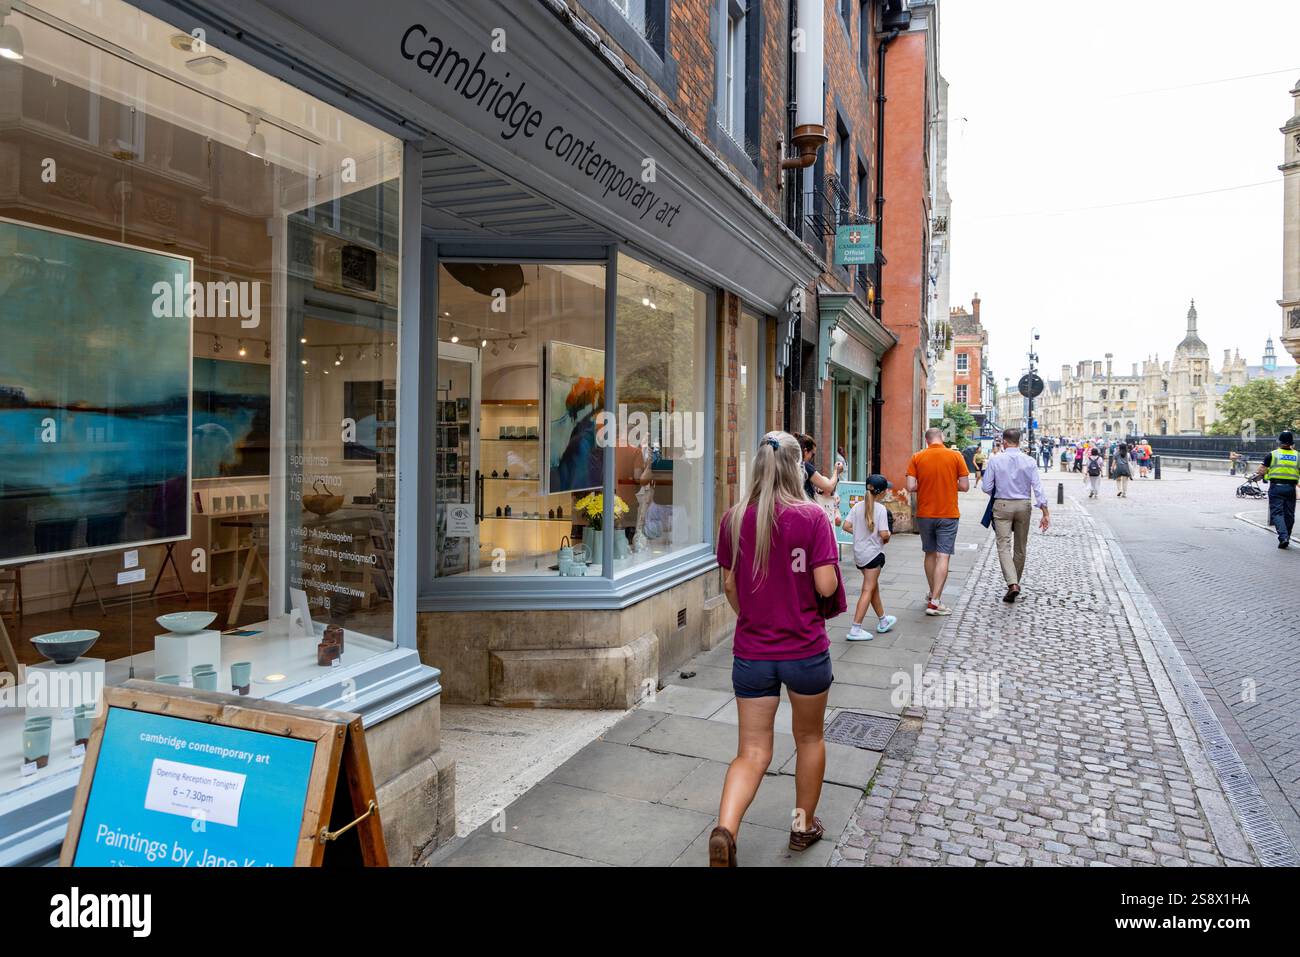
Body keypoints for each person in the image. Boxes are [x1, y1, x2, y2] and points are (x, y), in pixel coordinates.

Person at [711, 432, 845, 866]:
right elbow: (825, 584)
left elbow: (730, 586)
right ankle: (802, 828)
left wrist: (752, 614)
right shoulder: (812, 517)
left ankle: (725, 831)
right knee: (808, 738)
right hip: (804, 649)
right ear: (798, 467)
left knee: (751, 751)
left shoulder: (733, 518)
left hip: (752, 652)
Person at [980, 428, 1050, 602]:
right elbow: (1038, 488)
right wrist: (1045, 512)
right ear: (1019, 441)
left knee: (1003, 545)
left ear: (1004, 441)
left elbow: (986, 487)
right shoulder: (1030, 461)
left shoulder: (996, 461)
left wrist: (1001, 493)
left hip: (1002, 504)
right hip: (1023, 505)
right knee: (1020, 547)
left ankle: (1012, 584)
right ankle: (1014, 583)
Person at [906, 427, 970, 616]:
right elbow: (965, 486)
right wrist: (950, 484)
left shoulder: (917, 457)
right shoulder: (955, 456)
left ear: (927, 441)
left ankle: (934, 594)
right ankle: (935, 602)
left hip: (925, 514)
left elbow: (910, 486)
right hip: (948, 513)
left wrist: (925, 484)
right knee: (943, 556)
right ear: (942, 438)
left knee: (930, 554)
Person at [841, 474, 897, 640]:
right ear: (881, 493)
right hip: (873, 555)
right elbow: (883, 534)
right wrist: (887, 536)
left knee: (873, 588)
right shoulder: (881, 510)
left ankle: (883, 620)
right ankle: (855, 629)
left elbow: (846, 525)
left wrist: (860, 534)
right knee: (867, 589)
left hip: (859, 555)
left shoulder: (857, 506)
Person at [1252, 430, 1298, 549]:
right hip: (1290, 489)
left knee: (1277, 513)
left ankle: (1283, 537)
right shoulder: (1298, 456)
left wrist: (1257, 476)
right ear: (1291, 443)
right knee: (1289, 515)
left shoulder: (1272, 454)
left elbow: (1261, 471)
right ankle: (1287, 536)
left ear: (1280, 442)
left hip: (1276, 488)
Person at [797, 433, 842, 518]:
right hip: (804, 512)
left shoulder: (788, 465)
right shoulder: (804, 466)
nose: (812, 458)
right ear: (805, 451)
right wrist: (836, 470)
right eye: (812, 454)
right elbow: (829, 487)